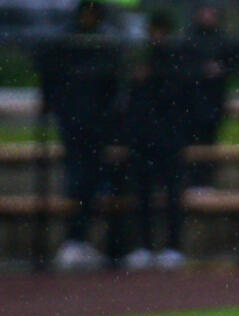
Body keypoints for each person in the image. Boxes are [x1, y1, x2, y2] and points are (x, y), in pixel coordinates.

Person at [37, 0, 122, 271]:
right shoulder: (67, 41)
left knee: (95, 182)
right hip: (75, 124)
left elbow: (112, 87)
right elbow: (50, 78)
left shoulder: (104, 42)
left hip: (97, 126)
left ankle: (88, 243)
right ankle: (75, 241)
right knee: (79, 181)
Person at [119, 10, 189, 270]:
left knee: (171, 195)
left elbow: (178, 96)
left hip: (168, 138)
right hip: (144, 138)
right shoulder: (140, 58)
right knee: (143, 195)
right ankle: (144, 245)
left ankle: (172, 246)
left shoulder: (175, 60)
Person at [180, 1, 236, 191]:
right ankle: (191, 182)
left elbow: (231, 66)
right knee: (191, 142)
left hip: (212, 101)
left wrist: (219, 71)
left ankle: (204, 181)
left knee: (208, 141)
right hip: (191, 102)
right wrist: (201, 71)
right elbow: (182, 68)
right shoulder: (189, 38)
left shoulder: (222, 40)